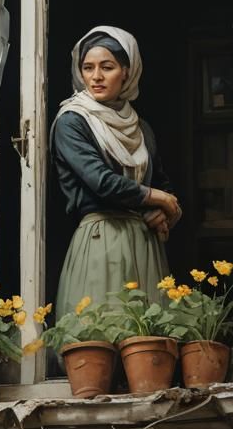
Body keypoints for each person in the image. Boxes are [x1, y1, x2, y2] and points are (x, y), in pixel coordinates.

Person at [51, 26, 181, 320]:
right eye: (88, 68)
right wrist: (157, 198)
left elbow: (162, 181)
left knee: (147, 341)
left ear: (127, 71)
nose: (96, 76)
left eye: (107, 67)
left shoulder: (140, 127)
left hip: (145, 243)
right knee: (99, 333)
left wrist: (161, 209)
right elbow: (102, 182)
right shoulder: (72, 121)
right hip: (102, 239)